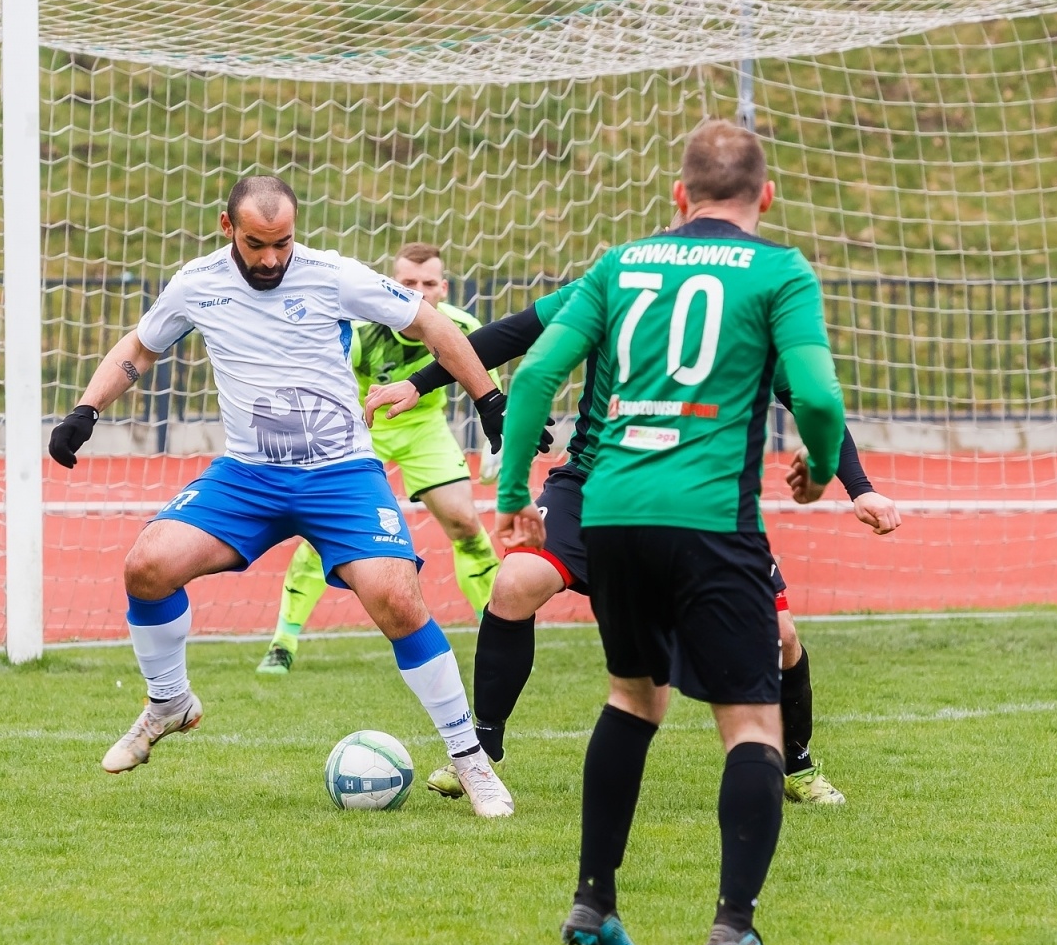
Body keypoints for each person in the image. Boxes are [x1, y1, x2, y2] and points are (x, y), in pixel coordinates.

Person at [48, 174, 515, 817]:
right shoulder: (196, 283)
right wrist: (86, 408)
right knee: (147, 566)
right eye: (256, 244)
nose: (271, 258)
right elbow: (140, 347)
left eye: (283, 243)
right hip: (249, 475)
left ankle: (469, 760)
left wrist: (489, 400)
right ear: (227, 228)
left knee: (397, 601)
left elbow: (432, 325)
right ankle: (169, 703)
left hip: (341, 473)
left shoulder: (333, 275)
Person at [500, 119, 846, 945]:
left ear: (678, 196)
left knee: (632, 699)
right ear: (765, 195)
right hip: (709, 520)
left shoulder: (623, 263)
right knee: (750, 723)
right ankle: (734, 926)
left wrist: (513, 498)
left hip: (612, 512)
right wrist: (821, 467)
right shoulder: (780, 270)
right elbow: (820, 399)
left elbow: (538, 374)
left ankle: (593, 907)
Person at [371, 269, 899, 811]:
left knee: (780, 637)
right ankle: (481, 750)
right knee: (515, 582)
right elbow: (514, 332)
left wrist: (861, 489)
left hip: (701, 499)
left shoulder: (745, 310)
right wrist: (418, 382)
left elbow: (813, 401)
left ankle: (797, 766)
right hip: (594, 485)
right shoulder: (617, 284)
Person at [255, 243, 501, 675]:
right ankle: (283, 641)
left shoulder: (461, 326)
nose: (420, 292)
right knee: (318, 535)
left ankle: (499, 629)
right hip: (364, 428)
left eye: (429, 283)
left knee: (465, 523)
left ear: (443, 288)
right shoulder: (362, 330)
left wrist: (495, 442)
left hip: (425, 430)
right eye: (409, 283)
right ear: (392, 285)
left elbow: (487, 382)